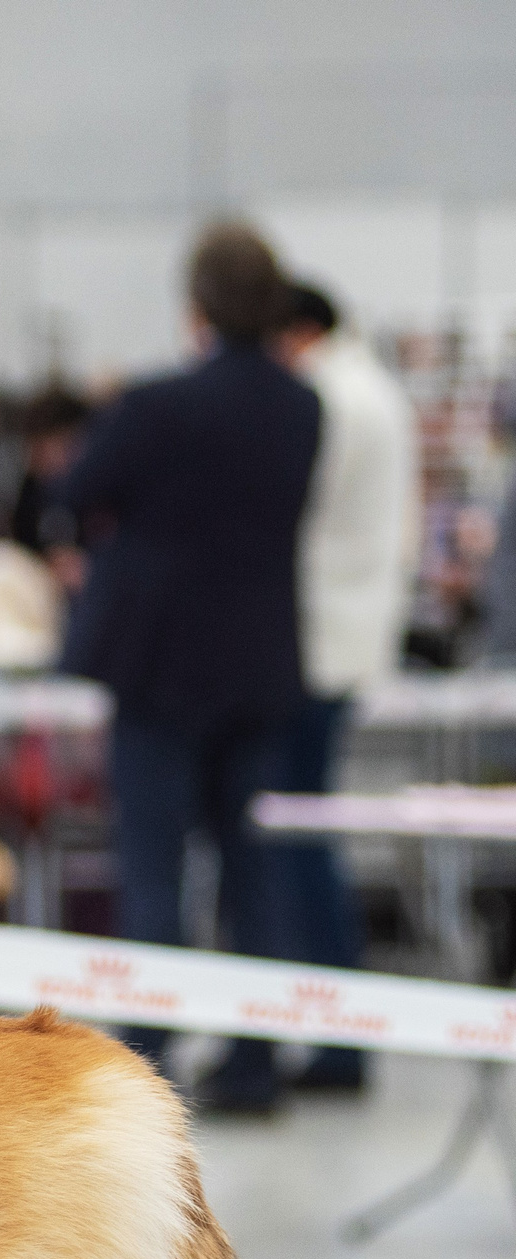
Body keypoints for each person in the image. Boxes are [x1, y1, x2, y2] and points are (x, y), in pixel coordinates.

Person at [59, 222, 323, 1112]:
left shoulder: (155, 404)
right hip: (258, 662)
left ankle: (146, 1066)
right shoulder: (302, 405)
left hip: (160, 664)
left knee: (153, 868)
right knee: (252, 871)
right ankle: (254, 1063)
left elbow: (76, 492)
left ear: (198, 305)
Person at [271, 281, 420, 1093]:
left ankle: (336, 1043)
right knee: (307, 840)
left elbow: (293, 512)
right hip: (344, 637)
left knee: (299, 847)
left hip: (317, 643)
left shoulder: (330, 394)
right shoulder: (373, 388)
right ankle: (334, 1037)